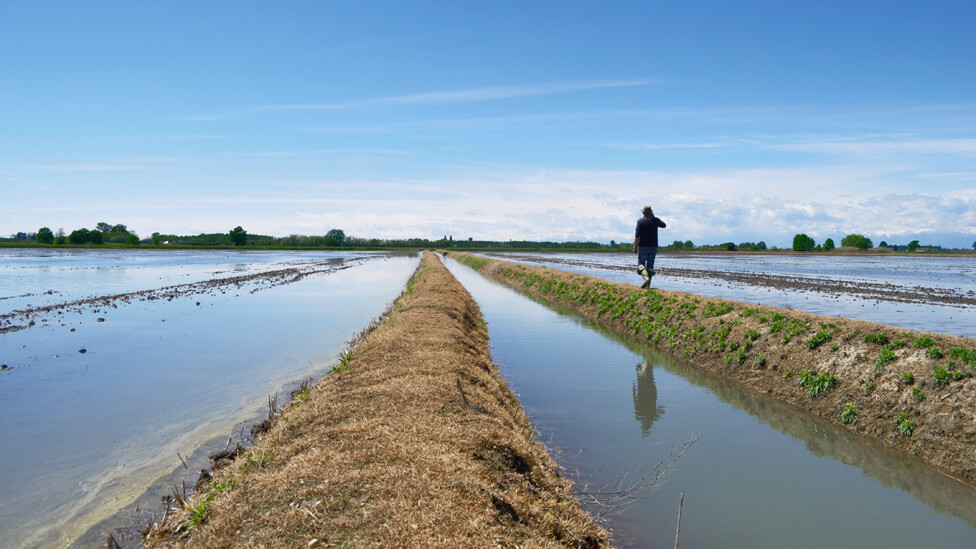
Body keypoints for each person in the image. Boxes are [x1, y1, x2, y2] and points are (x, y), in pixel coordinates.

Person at [633, 205, 666, 288]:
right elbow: (664, 225)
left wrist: (635, 246)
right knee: (650, 267)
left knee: (640, 265)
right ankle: (648, 286)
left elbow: (637, 235)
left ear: (643, 213)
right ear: (651, 212)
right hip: (653, 247)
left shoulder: (640, 221)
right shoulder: (655, 220)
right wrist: (654, 217)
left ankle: (646, 278)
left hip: (643, 247)